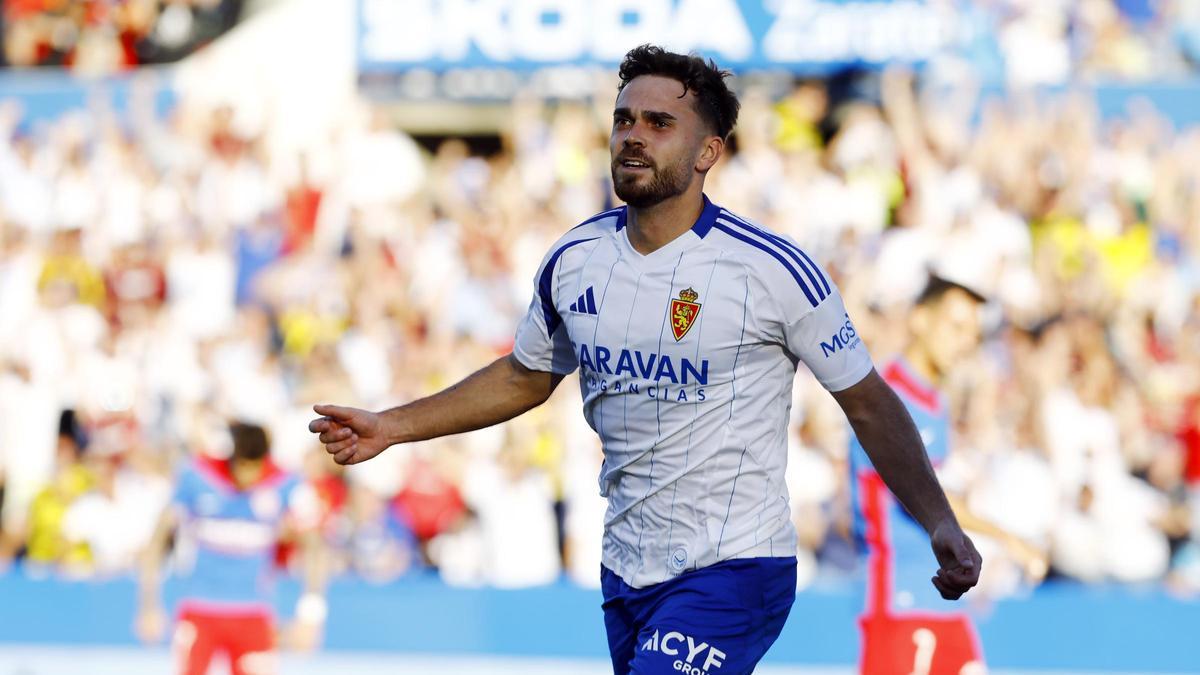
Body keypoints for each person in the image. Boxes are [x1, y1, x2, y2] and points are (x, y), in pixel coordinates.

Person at [309, 45, 982, 674]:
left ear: (707, 152)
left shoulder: (773, 271)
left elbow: (866, 400)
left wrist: (940, 520)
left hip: (737, 566)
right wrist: (392, 425)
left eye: (660, 122)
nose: (633, 134)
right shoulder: (575, 261)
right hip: (627, 569)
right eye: (624, 119)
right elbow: (525, 375)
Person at [851, 275, 1046, 674]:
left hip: (940, 600)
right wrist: (1010, 540)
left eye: (973, 332)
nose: (965, 342)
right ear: (921, 320)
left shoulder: (933, 400)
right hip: (900, 601)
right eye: (955, 327)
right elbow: (927, 496)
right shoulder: (888, 397)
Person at [137, 421, 326, 675]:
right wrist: (148, 605)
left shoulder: (286, 485)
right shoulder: (197, 477)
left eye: (254, 467)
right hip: (200, 611)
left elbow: (314, 547)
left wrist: (310, 615)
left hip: (253, 616)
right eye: (242, 466)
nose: (247, 477)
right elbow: (158, 540)